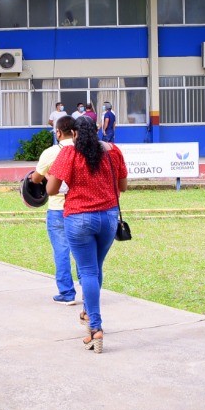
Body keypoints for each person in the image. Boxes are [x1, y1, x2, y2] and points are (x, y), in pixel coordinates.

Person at [45, 115, 128, 354]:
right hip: (109, 218)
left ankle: (96, 328)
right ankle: (89, 312)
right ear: (97, 130)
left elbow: (51, 189)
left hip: (79, 218)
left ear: (75, 133)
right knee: (95, 269)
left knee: (89, 271)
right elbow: (122, 187)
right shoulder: (113, 152)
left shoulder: (69, 154)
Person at [30, 115, 79, 305]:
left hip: (57, 208)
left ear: (58, 132)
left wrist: (49, 175)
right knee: (83, 252)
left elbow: (35, 178)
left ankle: (67, 293)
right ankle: (88, 289)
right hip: (79, 208)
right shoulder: (84, 151)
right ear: (74, 132)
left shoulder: (50, 153)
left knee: (61, 250)